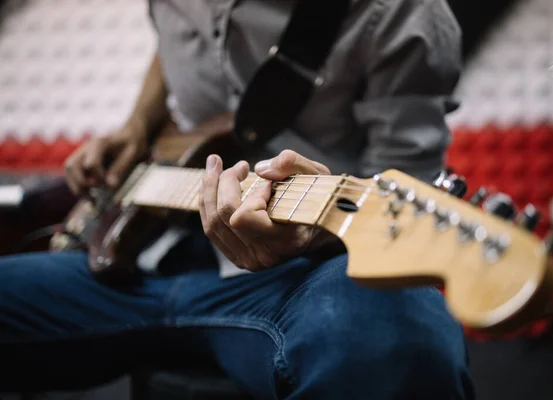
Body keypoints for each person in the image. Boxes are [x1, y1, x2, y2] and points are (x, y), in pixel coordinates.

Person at [0, 0, 475, 398]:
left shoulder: (398, 10)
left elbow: (401, 190)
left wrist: (310, 235)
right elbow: (175, 45)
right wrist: (137, 127)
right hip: (149, 254)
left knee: (402, 347)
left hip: (311, 273)